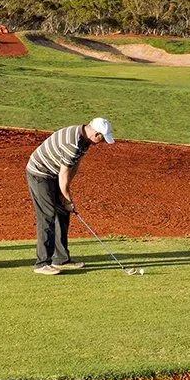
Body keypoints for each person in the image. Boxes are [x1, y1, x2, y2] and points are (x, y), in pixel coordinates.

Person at [26, 117, 115, 275]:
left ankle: (61, 259)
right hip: (40, 173)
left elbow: (74, 166)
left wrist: (66, 197)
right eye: (102, 138)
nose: (101, 142)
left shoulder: (85, 140)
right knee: (47, 215)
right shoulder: (72, 144)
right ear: (96, 134)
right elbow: (64, 174)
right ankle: (42, 263)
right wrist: (67, 198)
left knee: (63, 212)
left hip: (54, 173)